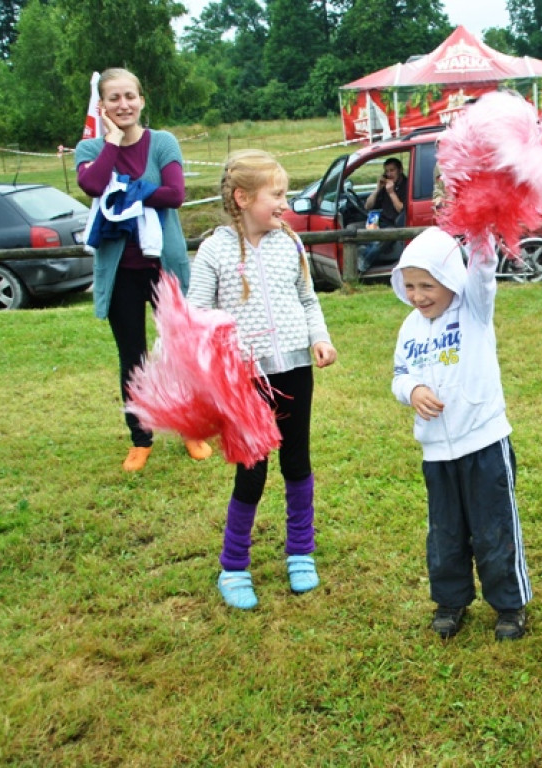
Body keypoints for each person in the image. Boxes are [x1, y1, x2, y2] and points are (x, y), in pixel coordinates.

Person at [187, 149, 338, 610]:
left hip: (294, 369)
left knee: (297, 462)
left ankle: (301, 553)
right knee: (251, 473)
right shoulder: (214, 250)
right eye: (276, 194)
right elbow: (196, 314)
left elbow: (307, 300)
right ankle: (234, 566)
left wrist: (320, 338)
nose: (284, 203)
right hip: (245, 379)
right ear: (243, 197)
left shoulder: (289, 243)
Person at [391, 226, 532, 641]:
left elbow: (484, 268)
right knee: (445, 533)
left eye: (427, 285)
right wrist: (412, 390)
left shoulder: (474, 308)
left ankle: (509, 604)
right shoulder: (410, 328)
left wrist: (482, 226)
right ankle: (450, 600)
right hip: (436, 452)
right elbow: (401, 375)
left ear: (451, 279)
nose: (418, 295)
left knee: (494, 528)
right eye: (410, 285)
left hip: (484, 444)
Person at [75, 68, 212, 472]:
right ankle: (140, 437)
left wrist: (133, 190)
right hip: (121, 272)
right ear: (103, 106)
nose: (124, 105)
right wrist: (113, 143)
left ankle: (191, 428)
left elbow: (175, 194)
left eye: (130, 96)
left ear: (141, 100)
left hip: (164, 266)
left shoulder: (163, 143)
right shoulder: (90, 150)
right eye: (114, 98)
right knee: (132, 355)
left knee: (179, 351)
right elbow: (96, 186)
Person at [357, 157, 408, 273]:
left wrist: (391, 193)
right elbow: (368, 206)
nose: (389, 174)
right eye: (387, 171)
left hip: (395, 224)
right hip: (381, 220)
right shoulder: (385, 185)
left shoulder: (406, 185)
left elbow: (401, 209)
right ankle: (364, 251)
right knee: (355, 229)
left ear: (400, 170)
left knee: (384, 238)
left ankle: (363, 261)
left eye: (392, 170)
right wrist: (378, 189)